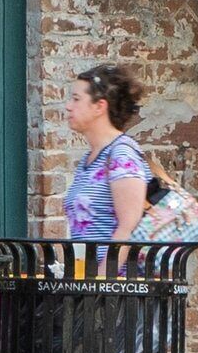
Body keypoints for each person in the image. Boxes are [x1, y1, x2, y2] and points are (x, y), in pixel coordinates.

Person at [63, 65, 152, 239]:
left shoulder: (122, 156)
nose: (68, 106)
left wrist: (105, 268)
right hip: (88, 265)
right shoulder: (90, 159)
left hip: (114, 267)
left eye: (76, 99)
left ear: (99, 106)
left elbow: (129, 229)